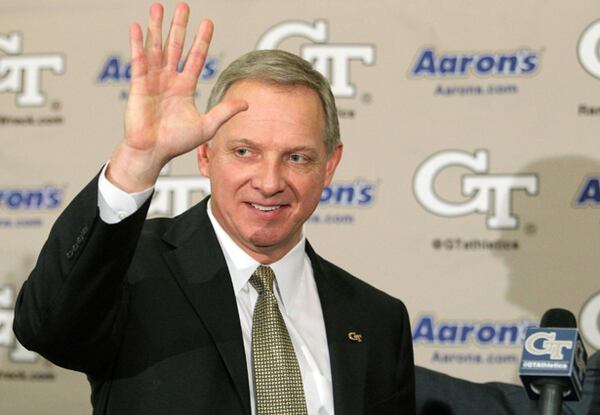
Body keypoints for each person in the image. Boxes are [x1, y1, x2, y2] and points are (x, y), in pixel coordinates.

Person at [12, 3, 415, 414]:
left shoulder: (378, 321)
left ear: (329, 166)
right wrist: (137, 162)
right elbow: (46, 329)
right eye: (245, 152)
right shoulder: (132, 269)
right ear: (204, 155)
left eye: (297, 158)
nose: (270, 181)